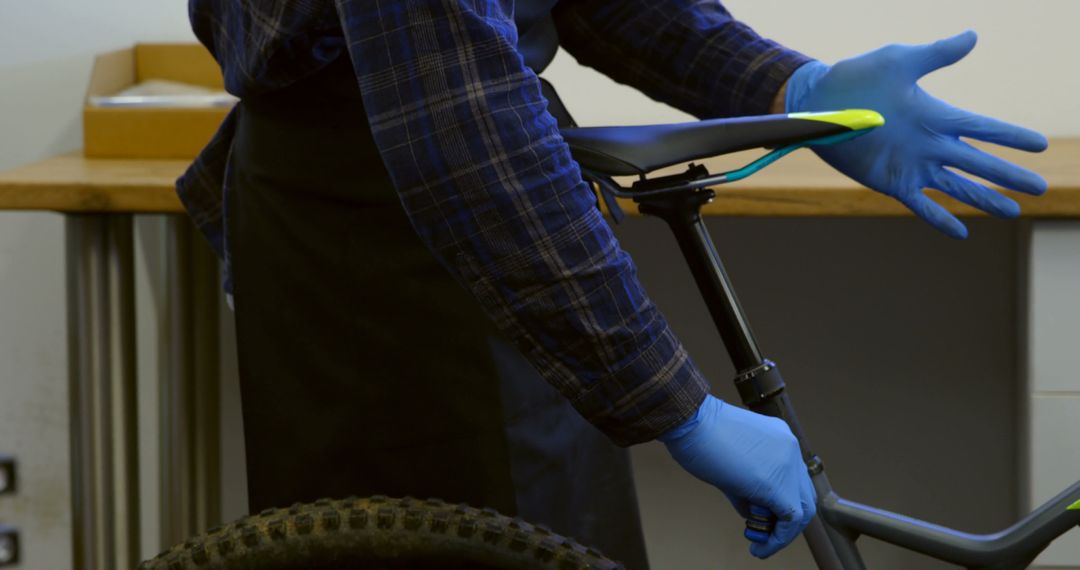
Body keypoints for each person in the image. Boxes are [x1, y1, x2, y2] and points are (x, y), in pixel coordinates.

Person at [178, 0, 1048, 566]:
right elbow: (465, 122)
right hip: (399, 242)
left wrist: (786, 84)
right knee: (462, 551)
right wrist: (678, 407)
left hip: (436, 206)